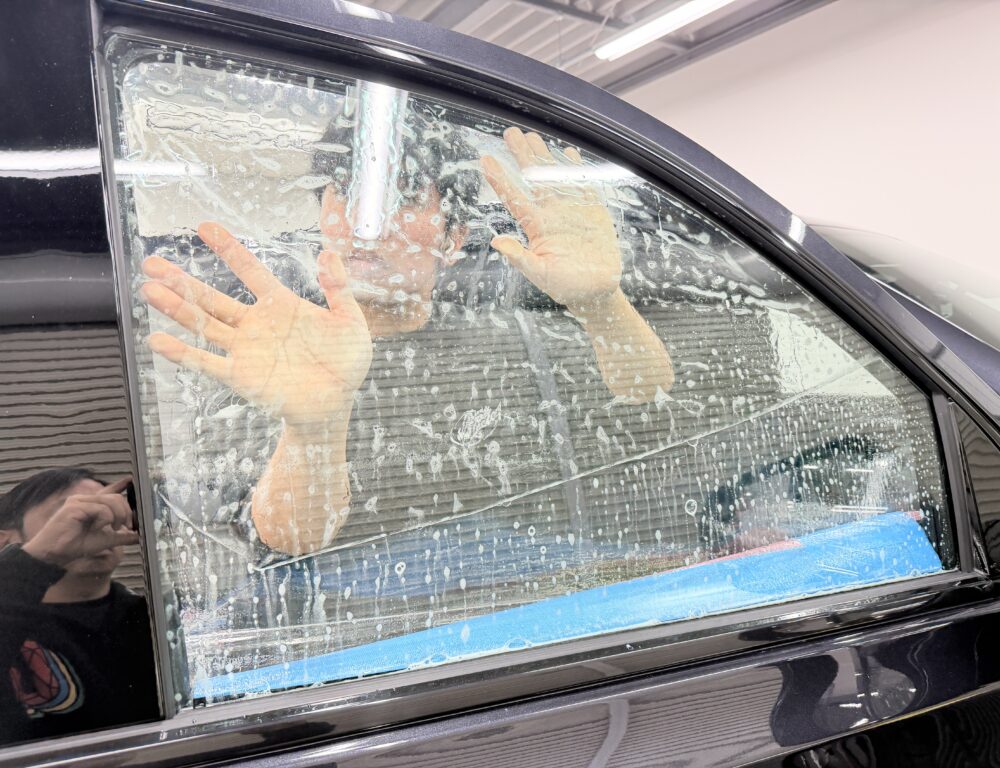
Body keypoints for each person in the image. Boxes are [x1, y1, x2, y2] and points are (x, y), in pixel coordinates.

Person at [140, 121, 676, 557]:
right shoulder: (267, 357)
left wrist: (602, 302)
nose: (366, 223)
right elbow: (287, 539)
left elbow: (646, 398)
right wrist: (315, 430)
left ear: (454, 238)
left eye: (403, 197)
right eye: (345, 192)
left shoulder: (511, 341)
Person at [0, 468, 159, 745]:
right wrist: (42, 556)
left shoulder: (156, 619)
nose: (97, 523)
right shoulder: (11, 625)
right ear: (5, 540)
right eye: (68, 512)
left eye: (107, 509)